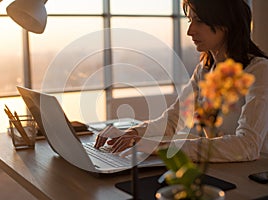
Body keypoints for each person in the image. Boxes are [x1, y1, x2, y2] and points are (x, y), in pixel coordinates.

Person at [95, 0, 268, 162]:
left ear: (226, 23)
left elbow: (248, 145)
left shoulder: (259, 70)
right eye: (190, 20)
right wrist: (134, 132)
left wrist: (163, 146)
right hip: (219, 170)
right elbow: (174, 120)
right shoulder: (205, 69)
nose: (190, 31)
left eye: (199, 21)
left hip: (251, 176)